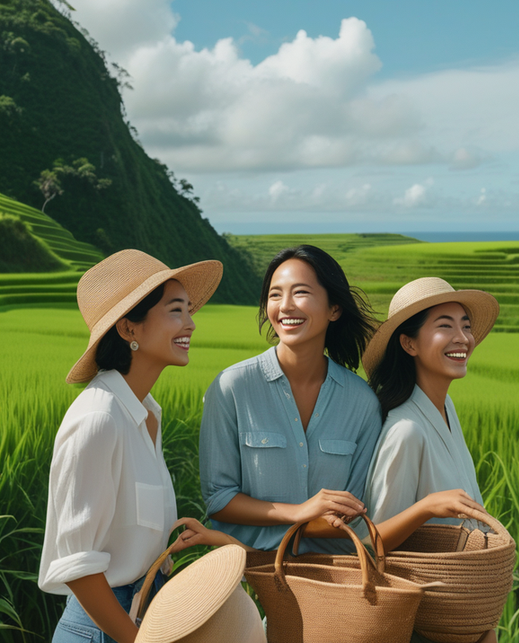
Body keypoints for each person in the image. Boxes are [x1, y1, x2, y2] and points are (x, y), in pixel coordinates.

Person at [39, 249, 224, 643]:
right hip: (105, 630)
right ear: (129, 330)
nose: (191, 323)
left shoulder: (144, 413)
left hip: (142, 615)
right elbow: (78, 566)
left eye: (189, 310)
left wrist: (159, 545)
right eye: (176, 310)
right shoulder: (99, 418)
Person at [199, 245, 382, 554]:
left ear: (334, 309)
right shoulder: (232, 387)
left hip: (332, 581)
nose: (285, 306)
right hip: (250, 575)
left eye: (300, 293)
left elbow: (354, 512)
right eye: (274, 295)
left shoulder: (361, 402)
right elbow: (218, 499)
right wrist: (299, 512)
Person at [362, 277, 500, 643]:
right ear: (409, 343)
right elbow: (371, 544)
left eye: (465, 326)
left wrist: (484, 624)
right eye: (445, 326)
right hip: (423, 627)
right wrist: (426, 506)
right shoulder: (406, 430)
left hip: (462, 617)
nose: (463, 338)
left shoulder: (445, 408)